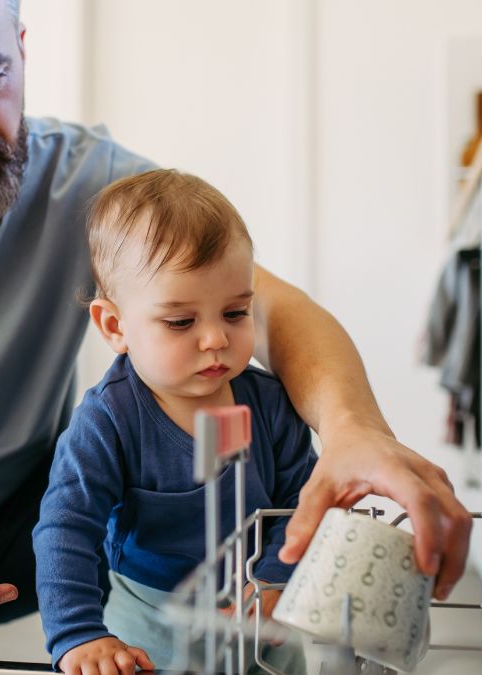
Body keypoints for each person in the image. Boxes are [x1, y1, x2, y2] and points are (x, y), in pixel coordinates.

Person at [0, 0, 471, 672]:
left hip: (32, 502)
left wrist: (353, 430)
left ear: (21, 49)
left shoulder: (90, 183)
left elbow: (275, 308)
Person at [33, 169, 314, 674]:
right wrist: (78, 634)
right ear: (115, 327)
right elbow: (65, 529)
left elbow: (301, 505)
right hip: (149, 628)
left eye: (235, 313)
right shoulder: (106, 421)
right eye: (181, 322)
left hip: (260, 622)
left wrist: (271, 581)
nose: (215, 339)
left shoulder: (270, 405)